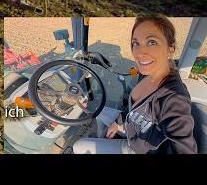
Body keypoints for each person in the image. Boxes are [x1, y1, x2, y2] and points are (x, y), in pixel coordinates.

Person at [73, 15, 197, 154]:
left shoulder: (174, 98)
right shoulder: (146, 73)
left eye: (152, 42)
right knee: (98, 110)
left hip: (137, 148)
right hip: (129, 124)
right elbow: (131, 110)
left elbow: (185, 148)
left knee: (78, 146)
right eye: (136, 43)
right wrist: (118, 123)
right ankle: (103, 137)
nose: (140, 53)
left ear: (170, 49)